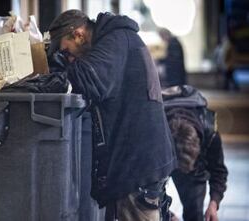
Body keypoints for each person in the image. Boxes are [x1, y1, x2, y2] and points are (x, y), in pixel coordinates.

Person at [48, 10, 176, 221]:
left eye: (65, 50)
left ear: (78, 35)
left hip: (138, 165)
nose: (67, 56)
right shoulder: (117, 39)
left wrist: (57, 67)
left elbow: (89, 80)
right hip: (138, 160)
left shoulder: (116, 40)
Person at [163, 85, 228, 221]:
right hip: (163, 157)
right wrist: (166, 214)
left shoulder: (210, 134)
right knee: (150, 208)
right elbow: (142, 182)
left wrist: (213, 204)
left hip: (194, 169)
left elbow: (218, 171)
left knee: (194, 214)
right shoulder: (154, 135)